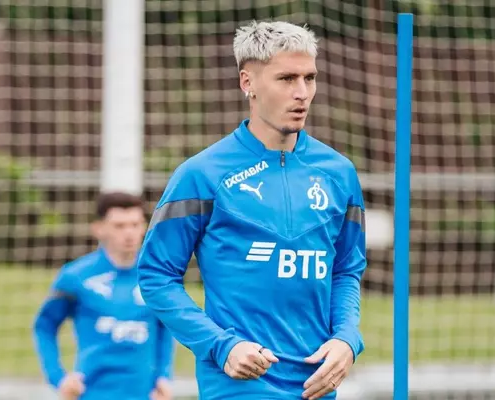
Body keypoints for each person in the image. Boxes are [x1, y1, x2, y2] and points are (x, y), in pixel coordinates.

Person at [137, 20, 367, 400]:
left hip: (316, 386)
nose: (302, 92)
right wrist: (221, 346)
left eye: (309, 78)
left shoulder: (339, 173)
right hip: (240, 386)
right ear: (248, 83)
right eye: (286, 79)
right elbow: (156, 275)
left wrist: (346, 338)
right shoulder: (202, 174)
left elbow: (346, 270)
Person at [33, 192, 175, 400]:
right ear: (99, 229)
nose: (129, 233)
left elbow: (166, 327)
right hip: (92, 394)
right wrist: (58, 378)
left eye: (135, 224)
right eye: (119, 226)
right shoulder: (76, 276)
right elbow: (44, 326)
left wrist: (163, 376)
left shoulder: (157, 277)